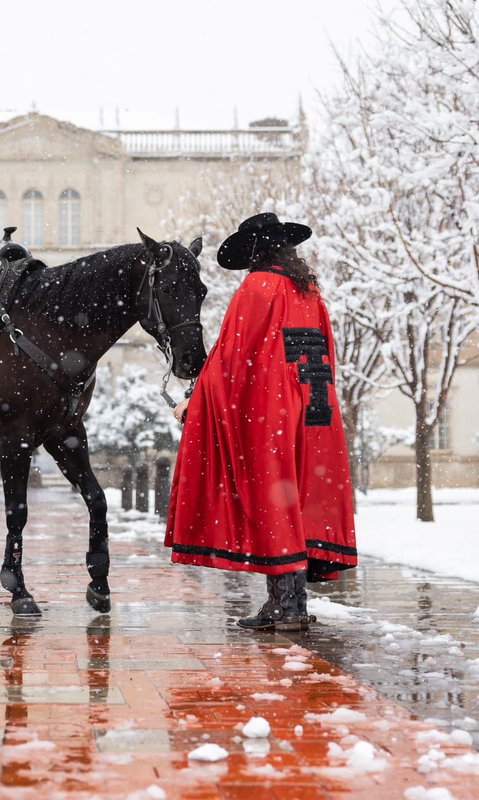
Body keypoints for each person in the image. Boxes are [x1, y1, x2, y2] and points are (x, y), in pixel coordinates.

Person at [165, 213, 357, 632]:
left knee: (274, 500)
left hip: (273, 411)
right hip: (315, 411)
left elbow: (233, 359)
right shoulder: (308, 291)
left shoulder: (258, 288)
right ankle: (289, 603)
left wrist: (194, 401)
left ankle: (287, 607)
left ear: (256, 250)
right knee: (296, 500)